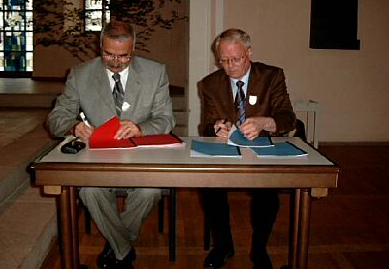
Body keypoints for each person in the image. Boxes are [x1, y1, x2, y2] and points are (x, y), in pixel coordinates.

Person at [47, 20, 175, 269]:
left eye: (123, 56)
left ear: (134, 50)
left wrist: (141, 128)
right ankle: (123, 252)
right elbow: (55, 118)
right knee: (89, 191)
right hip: (99, 158)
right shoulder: (81, 74)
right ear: (100, 46)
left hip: (140, 158)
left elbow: (167, 119)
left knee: (150, 191)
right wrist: (73, 126)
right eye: (108, 54)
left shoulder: (155, 72)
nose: (115, 62)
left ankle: (116, 247)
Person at [199, 28, 296, 269]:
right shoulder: (210, 84)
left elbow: (288, 118)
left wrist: (265, 122)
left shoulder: (272, 76)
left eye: (236, 59)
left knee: (267, 195)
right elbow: (206, 125)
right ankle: (223, 245)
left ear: (249, 53)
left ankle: (259, 248)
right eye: (223, 60)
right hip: (228, 150)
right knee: (210, 188)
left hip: (264, 151)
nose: (230, 66)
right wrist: (217, 127)